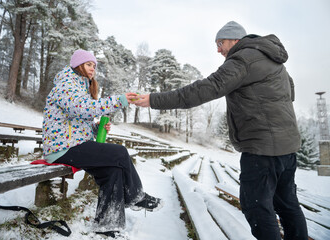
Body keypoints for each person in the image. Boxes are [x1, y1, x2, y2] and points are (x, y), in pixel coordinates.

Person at [132, 21, 308, 240]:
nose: (218, 49)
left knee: (257, 208)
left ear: (235, 40)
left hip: (262, 150)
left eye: (220, 42)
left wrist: (154, 99)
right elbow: (289, 94)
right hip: (287, 148)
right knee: (288, 205)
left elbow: (204, 89)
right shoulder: (274, 61)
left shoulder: (242, 59)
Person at [42, 49, 163, 238]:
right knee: (120, 153)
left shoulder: (80, 87)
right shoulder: (65, 85)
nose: (93, 69)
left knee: (112, 171)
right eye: (89, 64)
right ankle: (135, 197)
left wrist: (96, 128)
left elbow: (78, 121)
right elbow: (83, 109)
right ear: (78, 64)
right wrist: (120, 100)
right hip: (62, 148)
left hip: (74, 144)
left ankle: (107, 226)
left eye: (94, 66)